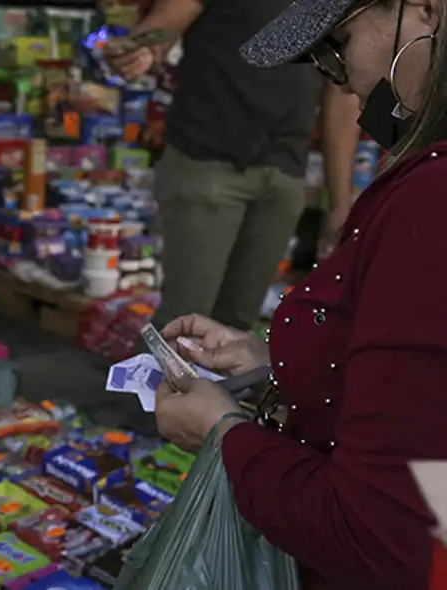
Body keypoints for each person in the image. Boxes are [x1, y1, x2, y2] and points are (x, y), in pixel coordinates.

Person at [153, 0, 447, 586]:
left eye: (337, 43)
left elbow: (380, 535)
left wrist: (224, 433)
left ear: (424, 9)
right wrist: (279, 364)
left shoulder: (432, 203)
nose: (336, 79)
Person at [106, 0, 362, 331]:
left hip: (284, 173)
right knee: (184, 323)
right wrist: (142, 47)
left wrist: (341, 202)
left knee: (236, 329)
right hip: (209, 165)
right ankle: (154, 383)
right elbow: (165, 23)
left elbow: (343, 92)